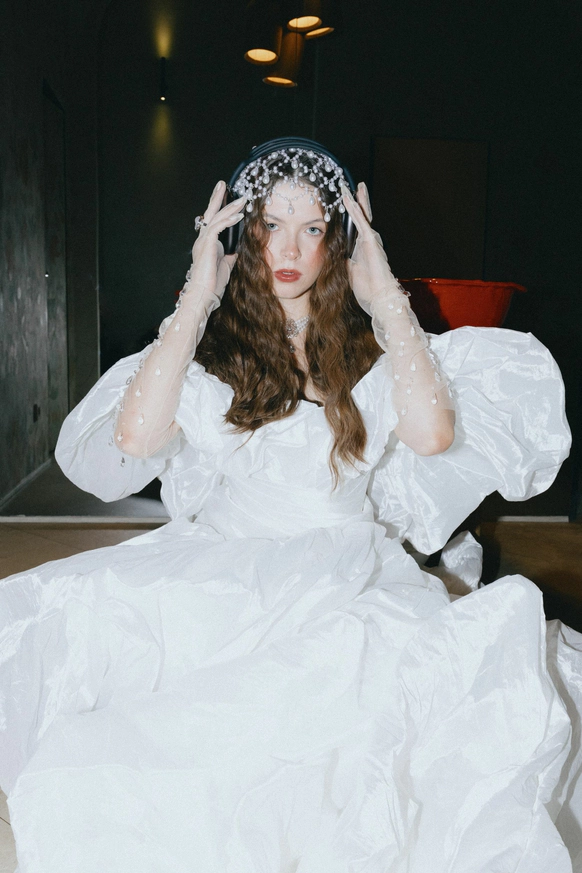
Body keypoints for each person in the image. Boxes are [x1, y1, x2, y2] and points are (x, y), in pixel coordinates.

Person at [0, 138, 580, 873]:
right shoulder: (213, 351)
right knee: (66, 624)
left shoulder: (369, 351)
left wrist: (384, 296)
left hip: (348, 568)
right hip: (226, 561)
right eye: (272, 225)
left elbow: (433, 434)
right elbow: (134, 437)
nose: (290, 248)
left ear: (337, 241)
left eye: (312, 228)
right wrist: (197, 294)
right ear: (246, 235)